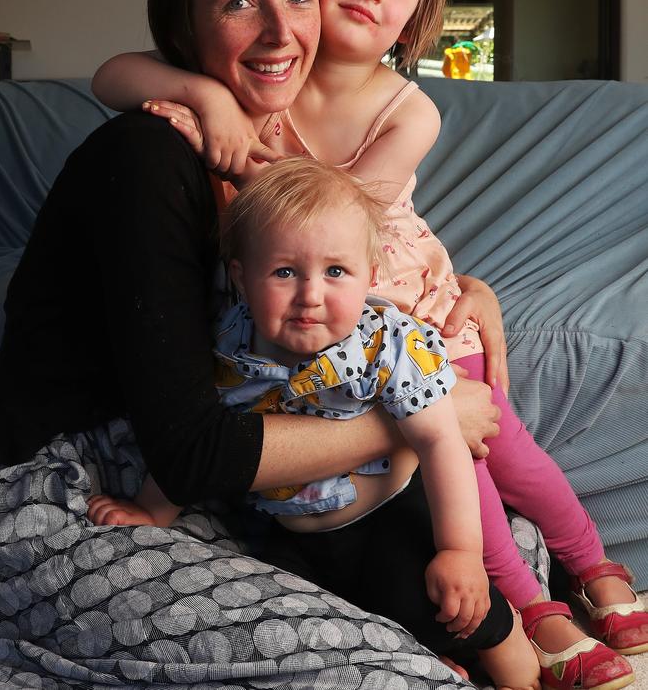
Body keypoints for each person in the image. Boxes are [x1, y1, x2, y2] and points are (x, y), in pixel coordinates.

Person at [92, 0, 645, 690]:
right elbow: (115, 72)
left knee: (501, 459)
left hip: (416, 315)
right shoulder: (278, 65)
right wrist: (208, 98)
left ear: (417, 15)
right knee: (470, 482)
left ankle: (595, 571)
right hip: (332, 320)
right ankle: (535, 612)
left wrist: (247, 155)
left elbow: (339, 212)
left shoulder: (407, 107)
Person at [0, 0, 515, 690]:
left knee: (467, 575)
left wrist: (469, 289)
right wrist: (419, 419)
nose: (281, 33)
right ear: (184, 25)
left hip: (199, 479)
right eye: (242, 2)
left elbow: (347, 267)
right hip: (68, 488)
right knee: (399, 677)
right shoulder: (149, 156)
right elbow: (196, 446)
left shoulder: (269, 163)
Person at [88, 156, 542, 690]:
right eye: (284, 272)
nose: (310, 294)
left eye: (335, 272)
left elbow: (443, 443)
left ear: (370, 276)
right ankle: (417, 663)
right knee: (315, 622)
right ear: (242, 278)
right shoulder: (230, 345)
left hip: (390, 520)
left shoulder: (385, 343)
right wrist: (152, 510)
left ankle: (516, 660)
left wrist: (459, 551)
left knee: (446, 606)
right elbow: (197, 433)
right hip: (289, 535)